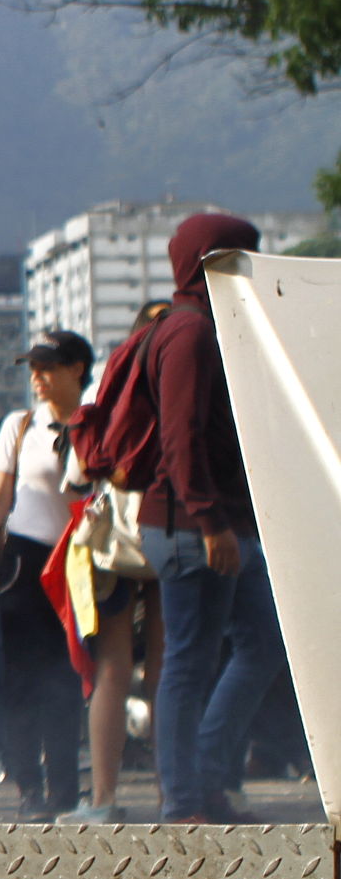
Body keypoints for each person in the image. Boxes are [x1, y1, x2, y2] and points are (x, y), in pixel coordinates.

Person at [100, 213, 286, 823]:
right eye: (241, 257)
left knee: (258, 644)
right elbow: (181, 439)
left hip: (210, 521)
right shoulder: (190, 335)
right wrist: (210, 524)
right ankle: (185, 798)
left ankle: (203, 779)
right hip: (189, 525)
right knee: (186, 662)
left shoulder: (204, 327)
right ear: (211, 263)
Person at [0, 330, 94, 817]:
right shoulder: (20, 426)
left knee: (66, 678)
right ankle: (28, 788)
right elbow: (0, 498)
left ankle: (65, 790)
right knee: (20, 678)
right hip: (24, 558)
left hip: (76, 561)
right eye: (33, 369)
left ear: (76, 370)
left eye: (47, 368)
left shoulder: (95, 423)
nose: (37, 378)